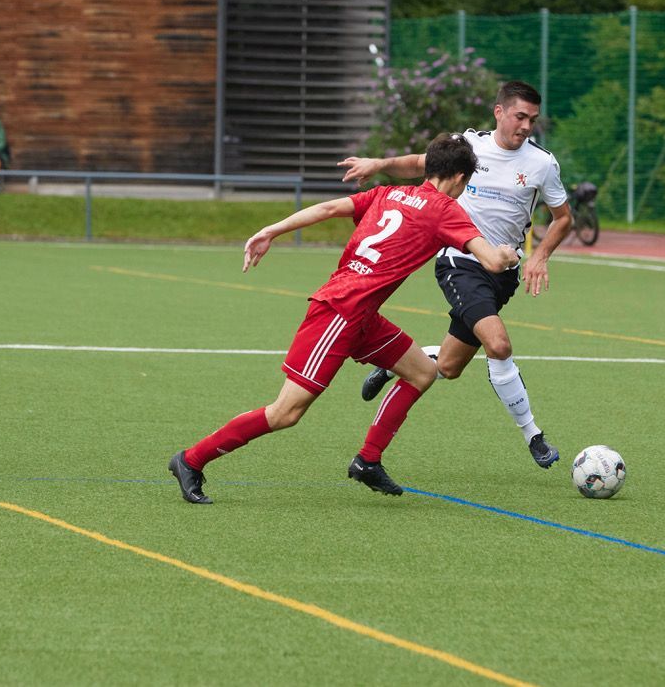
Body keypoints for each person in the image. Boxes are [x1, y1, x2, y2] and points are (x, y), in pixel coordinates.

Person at [169, 133, 519, 504]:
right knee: (286, 412)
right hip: (340, 311)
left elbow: (327, 209)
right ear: (461, 178)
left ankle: (368, 460)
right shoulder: (446, 209)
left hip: (360, 313)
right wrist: (508, 254)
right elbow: (492, 262)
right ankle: (191, 460)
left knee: (422, 372)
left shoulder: (387, 193)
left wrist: (272, 230)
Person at [338, 81, 573, 468]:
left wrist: (540, 256)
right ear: (499, 112)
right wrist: (378, 164)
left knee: (449, 366)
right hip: (459, 262)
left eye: (532, 119)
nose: (526, 126)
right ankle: (534, 436)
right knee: (498, 345)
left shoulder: (542, 163)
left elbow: (563, 218)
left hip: (503, 273)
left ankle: (394, 364)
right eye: (520, 116)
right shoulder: (470, 146)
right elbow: (420, 164)